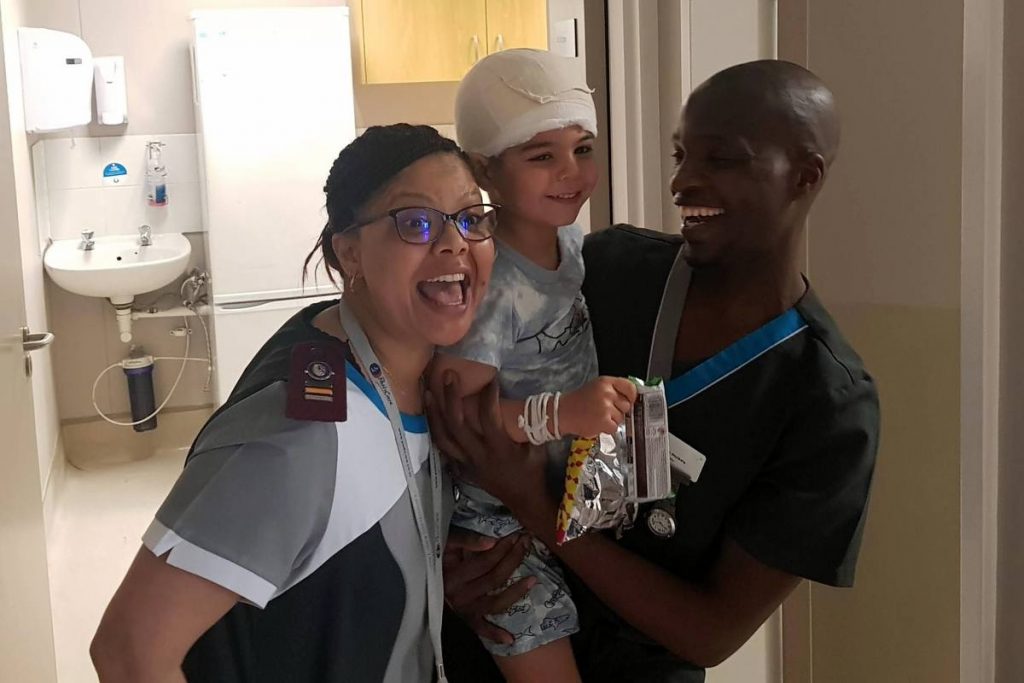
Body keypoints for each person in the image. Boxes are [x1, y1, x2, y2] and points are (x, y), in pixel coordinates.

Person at [431, 60, 881, 683]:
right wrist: (445, 559)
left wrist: (533, 505)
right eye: (680, 156)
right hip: (491, 638)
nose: (681, 182)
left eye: (721, 159)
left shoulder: (829, 404)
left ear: (804, 176)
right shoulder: (606, 269)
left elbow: (711, 632)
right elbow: (446, 392)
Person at [90, 124, 497, 683]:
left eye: (471, 218)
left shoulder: (391, 364)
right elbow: (128, 651)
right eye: (416, 222)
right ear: (349, 252)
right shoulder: (300, 439)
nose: (454, 243)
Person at [430, 48, 637, 683]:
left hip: (566, 493)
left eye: (583, 148)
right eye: (542, 155)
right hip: (495, 530)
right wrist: (560, 412)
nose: (571, 172)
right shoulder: (491, 283)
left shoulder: (569, 245)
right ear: (484, 169)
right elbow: (455, 416)